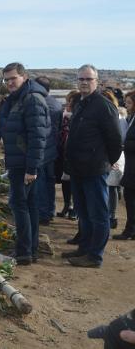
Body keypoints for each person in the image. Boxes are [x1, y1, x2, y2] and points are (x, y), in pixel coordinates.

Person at [62, 64, 122, 268]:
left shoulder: (103, 106)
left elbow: (115, 140)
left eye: (89, 79)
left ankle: (95, 255)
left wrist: (107, 161)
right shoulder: (81, 103)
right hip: (78, 169)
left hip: (94, 169)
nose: (84, 83)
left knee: (98, 214)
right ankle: (85, 248)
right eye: (81, 79)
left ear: (97, 81)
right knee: (83, 211)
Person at [0, 62, 51, 265]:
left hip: (24, 164)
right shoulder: (19, 98)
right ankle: (30, 249)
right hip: (20, 161)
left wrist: (32, 168)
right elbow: (11, 124)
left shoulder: (32, 100)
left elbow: (38, 137)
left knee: (19, 205)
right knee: (29, 206)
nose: (10, 82)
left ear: (24, 77)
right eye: (7, 79)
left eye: (14, 78)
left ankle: (24, 252)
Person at [35, 76, 63, 225]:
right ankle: (50, 210)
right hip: (53, 148)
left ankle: (43, 214)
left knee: (40, 182)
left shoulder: (38, 102)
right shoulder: (57, 104)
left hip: (41, 149)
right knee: (50, 181)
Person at [102, 90, 126, 229]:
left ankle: (112, 215)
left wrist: (114, 158)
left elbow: (120, 139)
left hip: (114, 156)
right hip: (103, 156)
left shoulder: (118, 117)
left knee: (112, 187)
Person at [114, 90, 135, 240]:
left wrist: (124, 145)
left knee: (131, 198)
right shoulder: (132, 117)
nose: (126, 106)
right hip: (131, 164)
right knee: (129, 197)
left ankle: (130, 230)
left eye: (129, 103)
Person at [56, 91, 80, 220]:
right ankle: (67, 206)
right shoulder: (64, 116)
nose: (68, 104)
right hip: (64, 152)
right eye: (68, 101)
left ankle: (75, 209)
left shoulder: (77, 117)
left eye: (71, 102)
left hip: (74, 154)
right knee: (65, 181)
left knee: (75, 183)